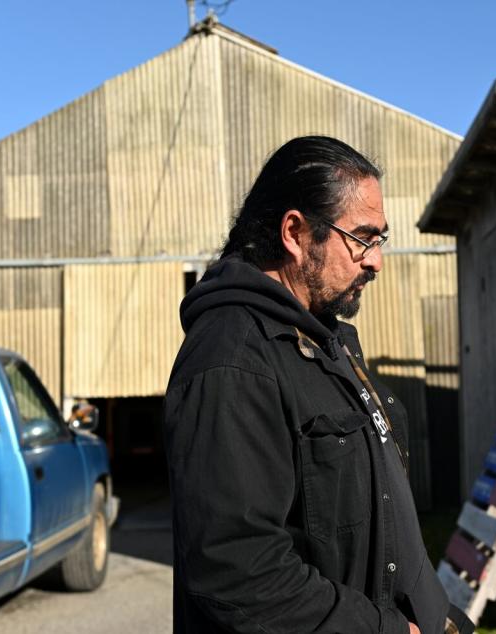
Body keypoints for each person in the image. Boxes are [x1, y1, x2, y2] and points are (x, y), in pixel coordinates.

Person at [164, 136, 474, 634]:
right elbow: (238, 572)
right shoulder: (234, 360)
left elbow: (375, 519)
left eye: (381, 240)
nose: (375, 261)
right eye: (362, 238)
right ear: (295, 232)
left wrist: (439, 615)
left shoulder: (323, 341)